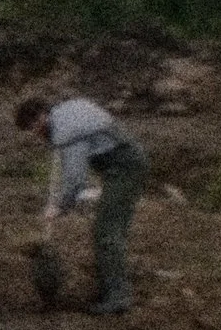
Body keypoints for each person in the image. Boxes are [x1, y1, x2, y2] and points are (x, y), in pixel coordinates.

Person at [16, 94, 148, 315]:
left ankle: (117, 297)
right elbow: (76, 164)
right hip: (121, 165)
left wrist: (59, 207)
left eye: (32, 128)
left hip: (125, 169)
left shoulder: (66, 128)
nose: (35, 135)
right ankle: (109, 289)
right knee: (106, 229)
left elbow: (75, 178)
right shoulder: (65, 113)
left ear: (40, 118)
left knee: (107, 231)